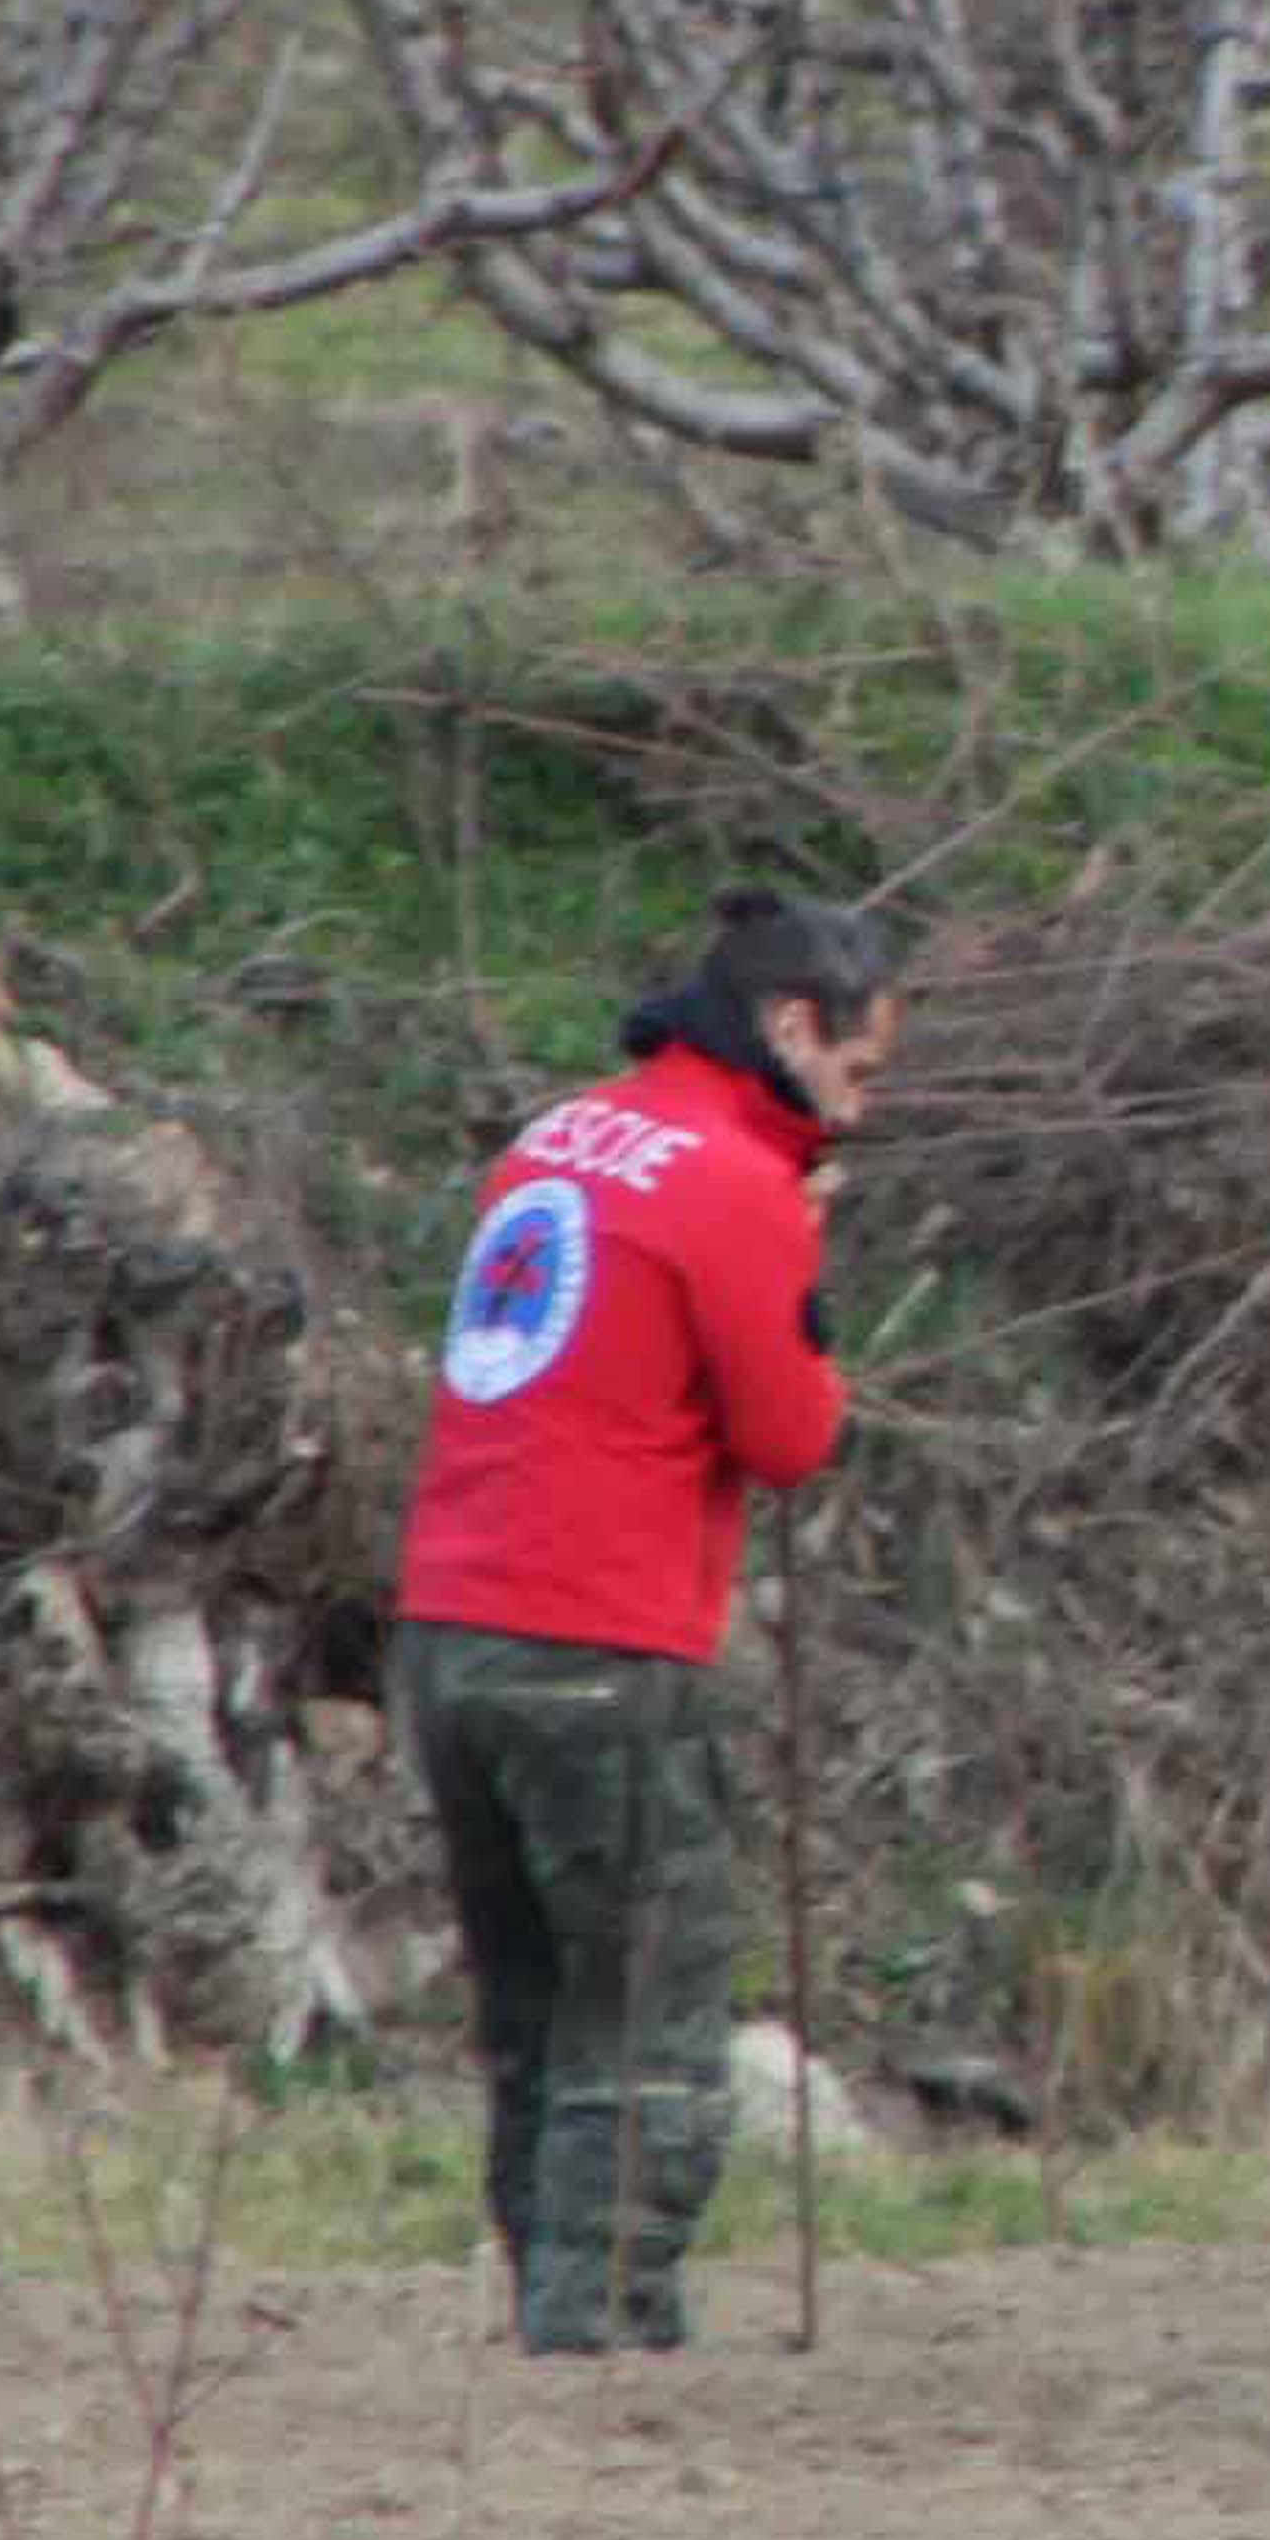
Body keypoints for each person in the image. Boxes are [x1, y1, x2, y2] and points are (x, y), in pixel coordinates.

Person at [397, 895, 895, 2357]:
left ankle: (552, 2308)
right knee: (648, 2011)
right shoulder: (735, 1183)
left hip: (449, 1628)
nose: (862, 1106)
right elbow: (791, 1438)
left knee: (535, 2007)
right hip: (600, 1639)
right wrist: (809, 1286)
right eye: (858, 1069)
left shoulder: (556, 1137)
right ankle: (603, 2328)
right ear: (792, 1026)